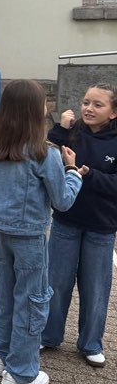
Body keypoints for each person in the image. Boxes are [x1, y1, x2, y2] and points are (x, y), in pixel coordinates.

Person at [0, 80, 84, 384]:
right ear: (36, 110)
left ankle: (4, 356)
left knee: (6, 296)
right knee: (32, 301)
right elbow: (62, 201)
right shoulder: (45, 153)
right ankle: (21, 372)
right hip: (30, 237)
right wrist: (73, 173)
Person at [42, 83, 117, 367]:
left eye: (98, 104)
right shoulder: (71, 131)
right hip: (66, 221)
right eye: (86, 102)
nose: (89, 108)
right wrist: (59, 128)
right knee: (56, 282)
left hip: (101, 226)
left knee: (95, 288)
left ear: (113, 112)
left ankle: (91, 343)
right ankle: (48, 335)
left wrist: (89, 175)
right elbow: (47, 156)